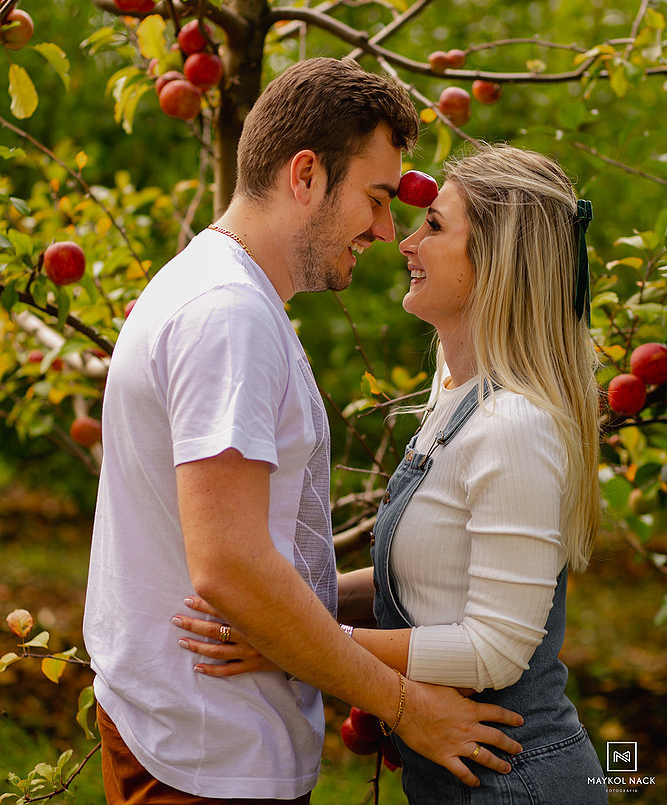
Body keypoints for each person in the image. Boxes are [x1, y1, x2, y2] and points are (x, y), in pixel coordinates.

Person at [83, 60, 524, 805]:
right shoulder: (228, 315)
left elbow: (264, 556)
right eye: (376, 199)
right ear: (307, 175)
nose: (386, 231)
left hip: (196, 733)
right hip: (208, 755)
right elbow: (231, 566)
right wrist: (406, 706)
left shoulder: (216, 289)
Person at [176, 143, 608, 803]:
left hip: (513, 776)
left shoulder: (514, 426)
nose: (403, 242)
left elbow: (492, 653)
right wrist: (274, 607)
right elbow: (427, 582)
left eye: (433, 225)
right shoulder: (456, 400)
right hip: (460, 768)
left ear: (496, 261)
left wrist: (299, 645)